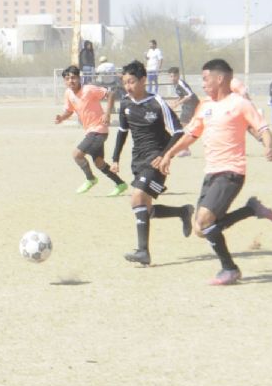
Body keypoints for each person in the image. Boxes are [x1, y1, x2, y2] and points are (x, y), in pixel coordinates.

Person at [157, 59, 272, 286]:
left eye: (206, 79)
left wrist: (268, 145)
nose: (203, 84)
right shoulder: (204, 106)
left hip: (231, 172)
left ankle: (230, 269)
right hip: (211, 173)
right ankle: (251, 209)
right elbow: (190, 135)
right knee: (199, 229)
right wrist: (169, 154)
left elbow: (262, 128)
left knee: (204, 222)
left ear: (220, 78)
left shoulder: (240, 104)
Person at [110, 60, 193, 266]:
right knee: (144, 209)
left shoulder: (157, 102)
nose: (128, 86)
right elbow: (122, 132)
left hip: (157, 160)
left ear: (143, 80)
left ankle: (143, 252)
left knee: (137, 198)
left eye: (131, 82)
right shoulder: (126, 104)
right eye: (125, 82)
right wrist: (115, 158)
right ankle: (182, 211)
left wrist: (165, 155)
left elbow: (178, 132)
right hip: (138, 160)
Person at [55, 65, 128, 196]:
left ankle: (91, 179)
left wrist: (107, 114)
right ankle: (120, 184)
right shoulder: (68, 93)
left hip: (99, 130)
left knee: (77, 155)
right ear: (64, 81)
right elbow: (69, 111)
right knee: (99, 163)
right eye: (67, 79)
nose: (71, 81)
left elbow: (111, 94)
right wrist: (62, 117)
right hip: (90, 131)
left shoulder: (88, 89)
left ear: (79, 78)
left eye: (73, 78)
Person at [167, 67, 198, 157]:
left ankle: (185, 149)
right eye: (171, 76)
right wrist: (176, 101)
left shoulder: (180, 83)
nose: (172, 78)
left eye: (174, 76)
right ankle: (185, 149)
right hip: (187, 107)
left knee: (179, 127)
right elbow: (182, 96)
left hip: (191, 106)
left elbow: (190, 95)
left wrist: (178, 103)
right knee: (181, 127)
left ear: (178, 75)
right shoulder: (175, 84)